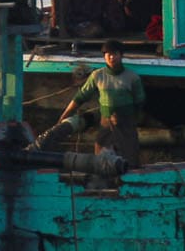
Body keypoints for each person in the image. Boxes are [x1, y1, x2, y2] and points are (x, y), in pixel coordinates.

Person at [55, 39, 145, 168]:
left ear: (121, 55)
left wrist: (133, 119)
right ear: (104, 56)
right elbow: (80, 97)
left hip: (126, 123)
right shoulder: (97, 75)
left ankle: (130, 182)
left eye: (115, 54)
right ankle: (103, 182)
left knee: (130, 157)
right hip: (106, 122)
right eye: (108, 54)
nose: (111, 57)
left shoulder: (132, 77)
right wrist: (64, 116)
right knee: (101, 157)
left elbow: (140, 101)